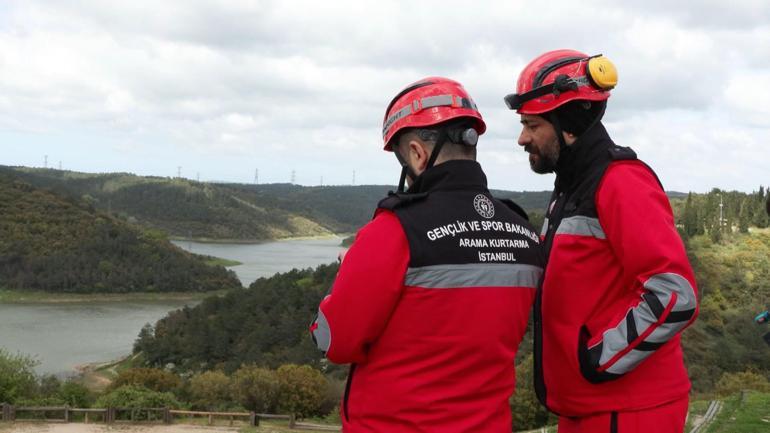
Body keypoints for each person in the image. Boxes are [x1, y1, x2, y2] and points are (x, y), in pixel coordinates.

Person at [310, 77, 543, 432]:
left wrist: (345, 279)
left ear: (417, 153)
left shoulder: (394, 230)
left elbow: (335, 341)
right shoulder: (524, 233)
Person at [503, 50, 699, 433]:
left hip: (627, 412)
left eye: (532, 124)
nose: (522, 138)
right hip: (588, 409)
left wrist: (595, 360)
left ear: (569, 124)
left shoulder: (621, 183)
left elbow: (675, 294)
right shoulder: (573, 186)